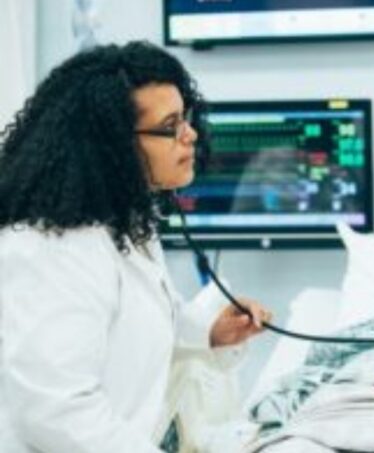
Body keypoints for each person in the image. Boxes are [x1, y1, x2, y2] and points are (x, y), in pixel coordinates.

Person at [0, 41, 272, 452]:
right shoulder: (54, 251)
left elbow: (132, 321)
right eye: (170, 126)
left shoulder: (122, 225)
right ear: (112, 145)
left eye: (186, 118)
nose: (190, 135)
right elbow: (56, 411)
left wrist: (210, 331)